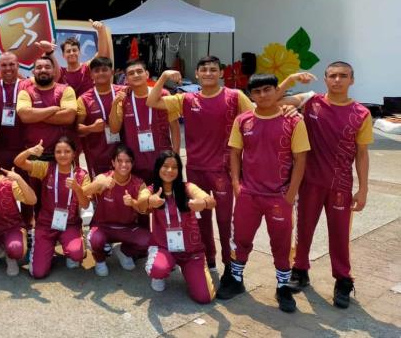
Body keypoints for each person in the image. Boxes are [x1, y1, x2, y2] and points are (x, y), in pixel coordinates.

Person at [146, 57, 253, 273]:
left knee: (225, 222)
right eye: (204, 70)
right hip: (195, 169)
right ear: (196, 74)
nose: (208, 73)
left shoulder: (234, 96)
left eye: (214, 70)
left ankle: (230, 266)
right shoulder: (186, 99)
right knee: (201, 220)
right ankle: (210, 261)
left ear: (221, 73)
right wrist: (165, 76)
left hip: (223, 170)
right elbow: (152, 101)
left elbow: (255, 118)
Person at [278, 63, 373, 308]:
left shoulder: (361, 113)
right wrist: (290, 79)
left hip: (340, 185)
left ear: (352, 80)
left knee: (339, 235)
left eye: (343, 76)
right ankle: (300, 271)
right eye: (332, 76)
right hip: (309, 182)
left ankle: (342, 279)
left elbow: (362, 154)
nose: (337, 80)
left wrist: (362, 189)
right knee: (304, 230)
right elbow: (271, 99)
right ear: (325, 79)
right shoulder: (310, 102)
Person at [217, 74, 310, 313]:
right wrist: (237, 184)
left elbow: (301, 159)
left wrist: (291, 193)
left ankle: (282, 287)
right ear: (251, 95)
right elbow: (235, 153)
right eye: (257, 92)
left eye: (268, 89)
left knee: (281, 243)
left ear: (275, 90)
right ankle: (236, 279)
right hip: (249, 194)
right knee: (241, 239)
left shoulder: (293, 121)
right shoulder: (243, 120)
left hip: (280, 196)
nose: (263, 95)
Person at [142, 151, 216, 304]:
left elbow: (210, 200)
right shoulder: (151, 189)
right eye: (165, 166)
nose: (169, 170)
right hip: (164, 247)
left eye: (174, 167)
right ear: (158, 168)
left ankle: (189, 270)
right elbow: (140, 201)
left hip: (191, 251)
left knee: (204, 297)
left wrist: (204, 203)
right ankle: (161, 272)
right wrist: (150, 200)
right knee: (157, 268)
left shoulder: (187, 187)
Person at [14, 137, 90, 279]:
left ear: (74, 154)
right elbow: (18, 162)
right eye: (58, 151)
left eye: (67, 151)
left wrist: (77, 189)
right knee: (38, 273)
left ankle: (74, 243)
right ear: (54, 154)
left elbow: (85, 204)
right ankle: (45, 251)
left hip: (70, 224)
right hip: (46, 224)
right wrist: (30, 151)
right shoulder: (46, 167)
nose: (62, 155)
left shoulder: (81, 175)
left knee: (76, 254)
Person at [83, 145, 152, 277]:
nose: (123, 165)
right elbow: (82, 193)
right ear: (113, 162)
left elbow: (145, 210)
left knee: (148, 241)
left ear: (132, 164)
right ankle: (100, 260)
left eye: (127, 161)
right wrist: (97, 185)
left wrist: (133, 202)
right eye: (119, 161)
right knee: (95, 240)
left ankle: (123, 251)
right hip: (102, 227)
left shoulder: (139, 183)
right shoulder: (102, 178)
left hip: (127, 228)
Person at [109, 59, 180, 181]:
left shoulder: (163, 94)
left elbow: (175, 127)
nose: (136, 75)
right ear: (126, 78)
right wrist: (114, 104)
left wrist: (176, 155)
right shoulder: (124, 99)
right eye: (131, 73)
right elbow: (114, 129)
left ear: (146, 74)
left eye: (139, 71)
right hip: (135, 164)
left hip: (162, 161)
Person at [16, 55, 78, 157]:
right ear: (33, 72)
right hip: (33, 153)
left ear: (54, 71)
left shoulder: (66, 90)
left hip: (61, 154)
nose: (43, 70)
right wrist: (53, 109)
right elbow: (24, 116)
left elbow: (69, 117)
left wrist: (35, 115)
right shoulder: (25, 92)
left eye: (47, 67)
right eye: (39, 67)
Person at [76, 57, 125, 178]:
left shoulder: (124, 93)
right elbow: (76, 129)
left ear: (112, 72)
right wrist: (91, 128)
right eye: (97, 70)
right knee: (101, 192)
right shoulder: (84, 99)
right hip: (97, 155)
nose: (101, 73)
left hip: (124, 153)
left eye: (104, 69)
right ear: (91, 74)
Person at [0, 52, 32, 170]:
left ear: (18, 65)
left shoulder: (28, 84)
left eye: (12, 64)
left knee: (24, 186)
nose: (8, 68)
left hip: (24, 148)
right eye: (4, 65)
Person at [53, 20, 112, 96]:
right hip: (68, 107)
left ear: (79, 52)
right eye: (68, 51)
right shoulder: (60, 72)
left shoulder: (87, 67)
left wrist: (101, 31)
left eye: (74, 50)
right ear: (63, 55)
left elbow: (102, 55)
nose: (72, 53)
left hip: (88, 106)